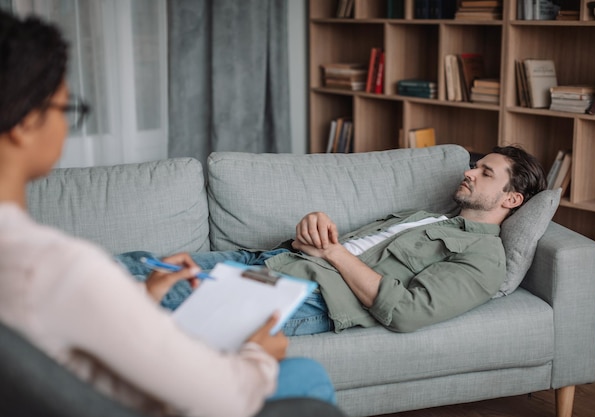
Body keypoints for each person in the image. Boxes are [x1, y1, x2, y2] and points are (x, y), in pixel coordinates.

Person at [0, 10, 337, 417]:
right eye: (65, 107)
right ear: (24, 122)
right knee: (305, 375)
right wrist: (259, 353)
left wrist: (143, 298)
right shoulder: (59, 267)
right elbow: (224, 398)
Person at [119, 146, 547, 337]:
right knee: (140, 264)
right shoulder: (429, 218)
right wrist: (312, 233)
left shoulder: (485, 257)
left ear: (511, 199)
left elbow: (407, 312)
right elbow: (352, 250)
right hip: (278, 259)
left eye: (485, 173)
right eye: (474, 166)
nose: (470, 172)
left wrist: (332, 251)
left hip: (305, 293)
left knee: (160, 296)